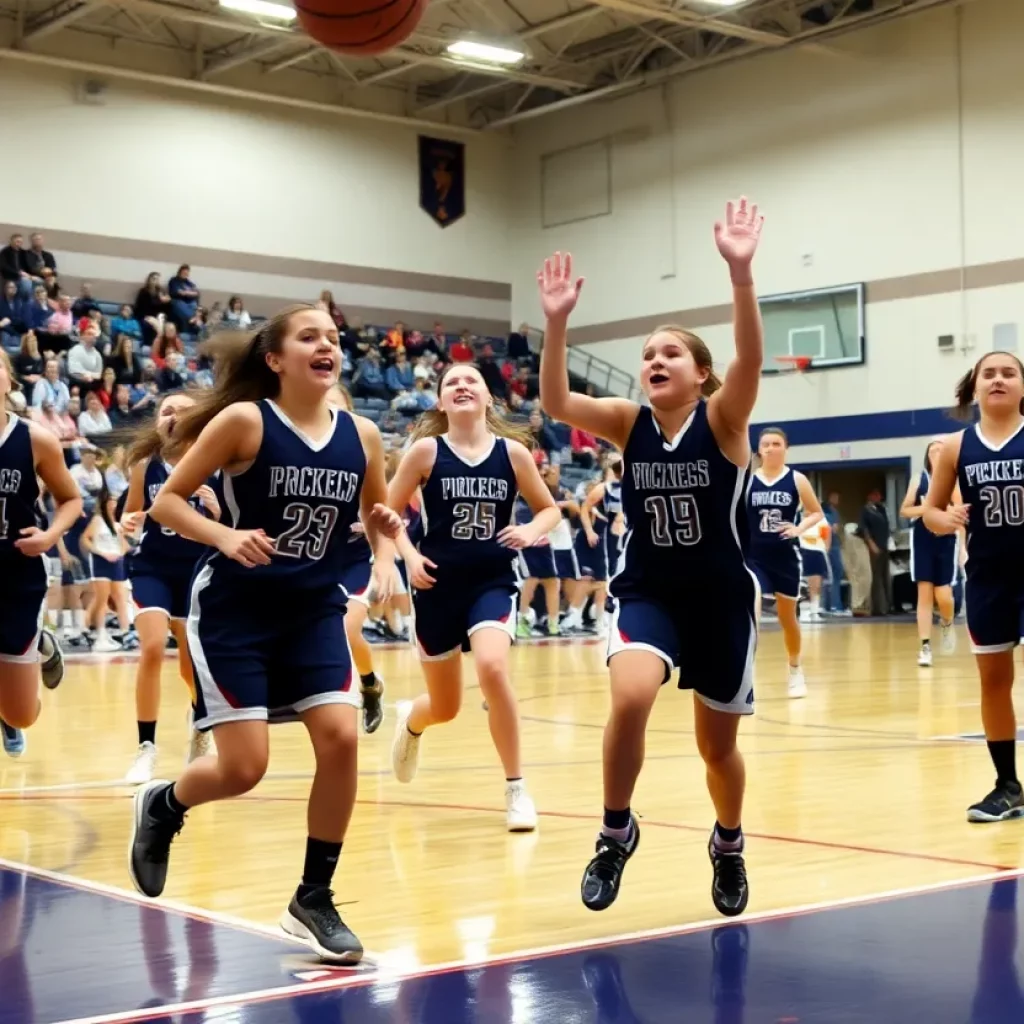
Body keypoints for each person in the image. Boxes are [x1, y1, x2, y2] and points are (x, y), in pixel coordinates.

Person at [126, 305, 402, 966]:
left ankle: (313, 896)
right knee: (244, 769)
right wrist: (225, 535)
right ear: (275, 360)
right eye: (309, 336)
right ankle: (164, 803)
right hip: (235, 611)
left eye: (333, 338)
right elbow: (167, 500)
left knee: (340, 741)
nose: (326, 344)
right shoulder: (245, 421)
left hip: (312, 610)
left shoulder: (362, 434)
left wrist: (390, 551)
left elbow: (377, 513)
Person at [538, 197, 765, 917]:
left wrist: (740, 275)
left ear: (701, 374)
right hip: (650, 592)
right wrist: (555, 323)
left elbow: (751, 358)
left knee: (715, 749)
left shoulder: (725, 421)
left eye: (671, 353)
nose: (654, 361)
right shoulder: (628, 422)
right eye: (647, 355)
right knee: (630, 696)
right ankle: (615, 832)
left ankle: (728, 844)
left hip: (721, 598)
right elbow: (553, 400)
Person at [386, 362, 561, 833]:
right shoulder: (425, 451)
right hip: (436, 586)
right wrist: (406, 555)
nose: (461, 386)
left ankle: (516, 787)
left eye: (472, 381)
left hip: (492, 581)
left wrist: (529, 528)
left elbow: (549, 510)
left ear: (489, 399)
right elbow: (386, 512)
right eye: (451, 383)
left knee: (492, 667)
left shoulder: (513, 454)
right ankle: (412, 721)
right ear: (441, 403)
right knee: (445, 707)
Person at [923, 351, 1024, 823]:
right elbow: (931, 511)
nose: (999, 379)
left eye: (1009, 373)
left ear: (1022, 387)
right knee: (994, 682)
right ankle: (1007, 785)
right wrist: (948, 518)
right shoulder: (955, 447)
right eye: (990, 373)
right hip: (987, 581)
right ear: (975, 387)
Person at [121, 392, 222, 783]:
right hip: (152, 567)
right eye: (167, 411)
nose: (175, 417)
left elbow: (234, 522)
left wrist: (216, 511)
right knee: (149, 648)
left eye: (183, 411)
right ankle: (146, 747)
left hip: (197, 571)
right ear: (157, 422)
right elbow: (132, 512)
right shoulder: (145, 466)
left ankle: (201, 723)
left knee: (190, 665)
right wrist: (129, 523)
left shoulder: (216, 464)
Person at [0, 350, 78, 757]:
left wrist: (50, 536)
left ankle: (42, 645)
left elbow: (71, 500)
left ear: (9, 382)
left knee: (21, 714)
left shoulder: (35, 439)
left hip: (16, 575)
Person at [746, 428, 823, 698]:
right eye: (765, 444)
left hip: (786, 557)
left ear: (785, 448)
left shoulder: (797, 479)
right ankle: (745, 679)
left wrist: (799, 528)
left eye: (776, 444)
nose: (770, 448)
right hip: (754, 557)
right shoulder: (747, 480)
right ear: (758, 449)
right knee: (751, 612)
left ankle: (795, 669)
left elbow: (816, 512)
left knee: (787, 618)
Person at [329, 385, 384, 735]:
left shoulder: (363, 450)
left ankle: (364, 688)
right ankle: (368, 682)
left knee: (347, 629)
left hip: (353, 558)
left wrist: (370, 525)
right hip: (314, 558)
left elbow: (386, 509)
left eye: (337, 405)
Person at [901, 439, 958, 667]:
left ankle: (947, 621)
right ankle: (925, 646)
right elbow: (905, 510)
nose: (937, 451)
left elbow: (961, 509)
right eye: (933, 449)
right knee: (924, 594)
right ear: (927, 454)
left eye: (941, 448)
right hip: (922, 539)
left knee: (943, 596)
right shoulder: (919, 479)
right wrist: (927, 508)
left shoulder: (954, 479)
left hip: (946, 539)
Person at [81, 482, 130, 653]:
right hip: (101, 561)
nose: (113, 504)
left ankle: (126, 633)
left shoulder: (117, 524)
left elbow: (125, 545)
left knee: (120, 597)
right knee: (101, 598)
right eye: (110, 501)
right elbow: (85, 539)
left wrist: (120, 553)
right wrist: (101, 553)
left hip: (116, 562)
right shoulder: (97, 520)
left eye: (115, 501)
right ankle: (97, 633)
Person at [858, 489, 892, 615]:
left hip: (884, 545)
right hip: (874, 546)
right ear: (870, 496)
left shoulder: (881, 509)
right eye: (876, 495)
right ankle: (878, 608)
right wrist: (871, 544)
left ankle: (888, 606)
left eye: (879, 495)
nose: (879, 497)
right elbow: (864, 529)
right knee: (876, 577)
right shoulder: (866, 510)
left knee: (885, 576)